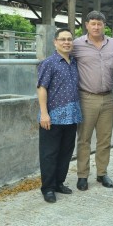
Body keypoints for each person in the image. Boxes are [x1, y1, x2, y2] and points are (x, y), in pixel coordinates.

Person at [72, 11, 113, 190]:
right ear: (86, 24)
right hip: (86, 98)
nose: (96, 27)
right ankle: (82, 175)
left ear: (104, 25)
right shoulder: (77, 45)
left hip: (108, 98)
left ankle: (102, 173)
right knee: (84, 139)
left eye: (99, 24)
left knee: (104, 139)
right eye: (92, 23)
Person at [37, 28, 82, 203]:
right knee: (49, 153)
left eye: (69, 39)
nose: (66, 42)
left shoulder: (74, 62)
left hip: (71, 116)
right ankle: (47, 188)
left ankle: (58, 183)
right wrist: (44, 113)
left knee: (65, 152)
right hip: (53, 117)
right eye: (62, 39)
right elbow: (42, 88)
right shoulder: (49, 63)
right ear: (55, 42)